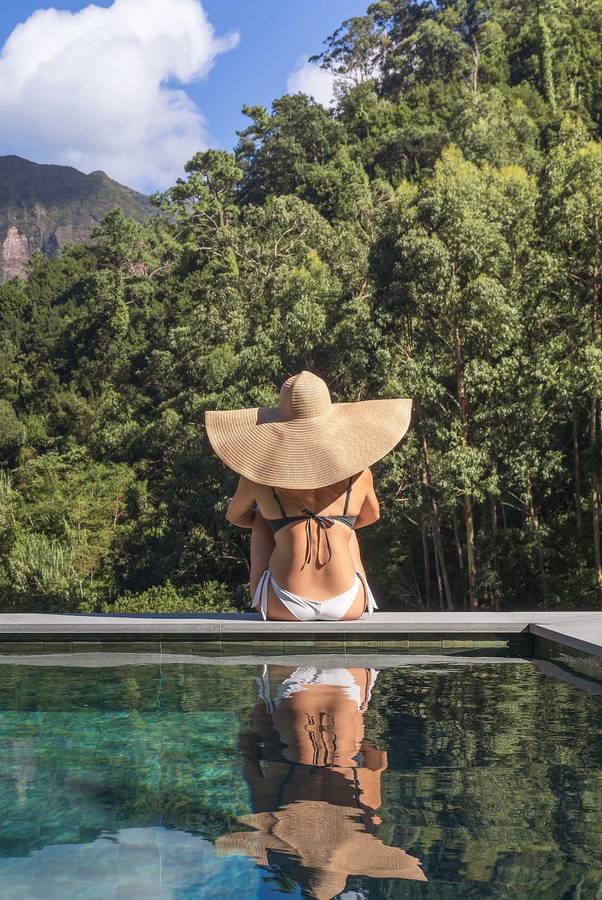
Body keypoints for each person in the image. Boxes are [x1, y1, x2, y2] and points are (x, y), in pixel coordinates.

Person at [205, 372, 411, 621]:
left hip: (283, 603)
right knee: (344, 526)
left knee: (261, 518)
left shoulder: (258, 476)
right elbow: (372, 514)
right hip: (348, 602)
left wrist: (277, 523)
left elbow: (234, 515)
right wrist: (337, 524)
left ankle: (264, 587)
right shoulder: (359, 474)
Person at [216, 665, 427, 898]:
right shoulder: (272, 819)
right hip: (291, 695)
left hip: (348, 688)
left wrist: (354, 738)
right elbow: (247, 749)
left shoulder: (367, 813)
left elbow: (377, 759)